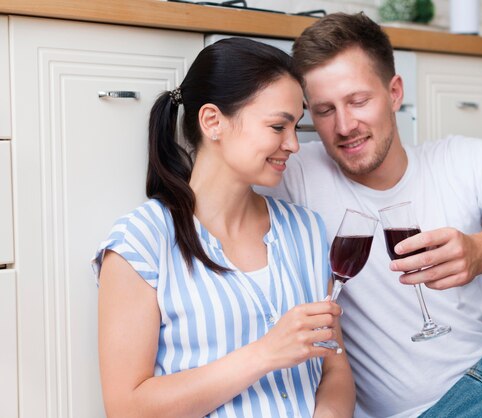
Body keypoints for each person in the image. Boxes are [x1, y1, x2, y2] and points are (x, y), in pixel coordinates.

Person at [257, 12, 482, 417]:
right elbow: (215, 181)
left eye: (358, 101)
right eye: (324, 111)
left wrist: (480, 252)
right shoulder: (293, 173)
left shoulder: (460, 159)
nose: (345, 125)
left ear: (395, 92)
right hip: (435, 411)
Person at [92, 37, 355, 418]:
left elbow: (336, 368)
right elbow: (127, 407)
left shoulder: (307, 230)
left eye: (296, 126)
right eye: (278, 126)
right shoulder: (141, 241)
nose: (294, 144)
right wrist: (263, 354)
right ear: (213, 121)